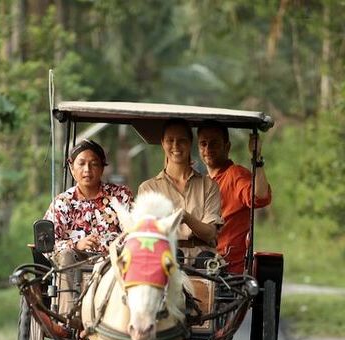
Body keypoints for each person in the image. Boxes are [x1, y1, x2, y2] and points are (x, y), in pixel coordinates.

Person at [44, 139, 133, 315]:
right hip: (75, 266)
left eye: (94, 164)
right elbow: (48, 244)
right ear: (71, 167)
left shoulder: (121, 196)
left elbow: (135, 231)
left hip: (114, 264)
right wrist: (76, 246)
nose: (87, 170)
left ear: (102, 168)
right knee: (66, 255)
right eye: (81, 164)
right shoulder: (63, 202)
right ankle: (68, 317)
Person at [138, 118, 222, 266]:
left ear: (190, 143)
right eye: (170, 140)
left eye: (181, 140)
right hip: (165, 256)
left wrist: (186, 217)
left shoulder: (209, 185)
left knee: (208, 262)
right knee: (170, 256)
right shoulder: (148, 188)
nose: (175, 146)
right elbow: (147, 234)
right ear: (163, 143)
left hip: (203, 259)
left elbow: (210, 233)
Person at [197, 121, 272, 274]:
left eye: (214, 143)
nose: (208, 149)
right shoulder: (200, 182)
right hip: (197, 262)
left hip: (225, 269)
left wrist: (256, 158)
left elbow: (260, 196)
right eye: (203, 144)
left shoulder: (235, 174)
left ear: (227, 146)